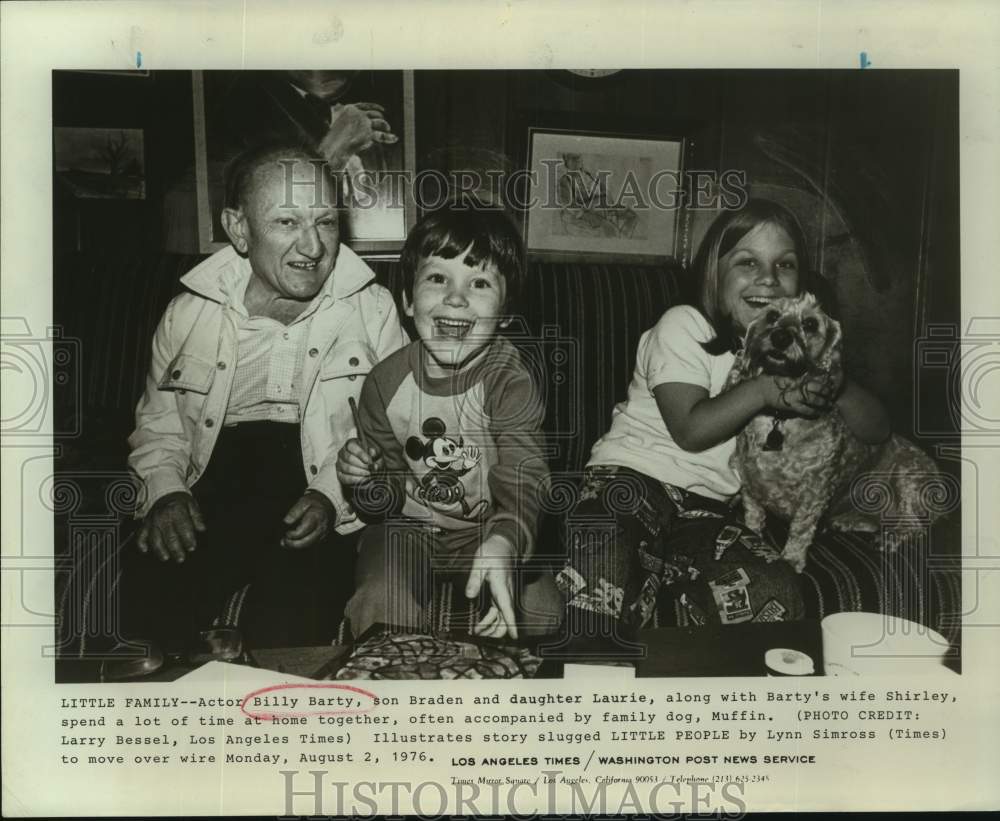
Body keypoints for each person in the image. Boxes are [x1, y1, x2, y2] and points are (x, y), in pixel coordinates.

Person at [557, 199, 890, 638]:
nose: (768, 278)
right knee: (604, 560)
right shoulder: (684, 326)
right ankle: (585, 643)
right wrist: (765, 390)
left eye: (785, 265)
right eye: (748, 262)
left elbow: (878, 431)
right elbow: (691, 431)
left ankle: (697, 653)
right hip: (630, 481)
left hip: (710, 512)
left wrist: (839, 386)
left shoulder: (797, 354)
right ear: (714, 274)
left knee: (777, 591)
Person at [123, 141, 407, 650]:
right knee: (145, 614)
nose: (313, 247)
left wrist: (331, 496)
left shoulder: (374, 311)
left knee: (289, 630)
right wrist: (165, 491)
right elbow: (159, 425)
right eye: (286, 222)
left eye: (325, 221)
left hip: (315, 491)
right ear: (238, 229)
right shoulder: (188, 315)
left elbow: (391, 432)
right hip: (212, 491)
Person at [335, 205, 562, 640]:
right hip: (404, 529)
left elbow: (526, 473)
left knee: (542, 610)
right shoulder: (383, 383)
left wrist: (506, 539)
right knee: (382, 598)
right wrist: (364, 477)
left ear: (506, 312)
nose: (455, 297)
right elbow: (378, 503)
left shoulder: (509, 379)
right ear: (406, 298)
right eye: (437, 278)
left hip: (484, 529)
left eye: (479, 283)